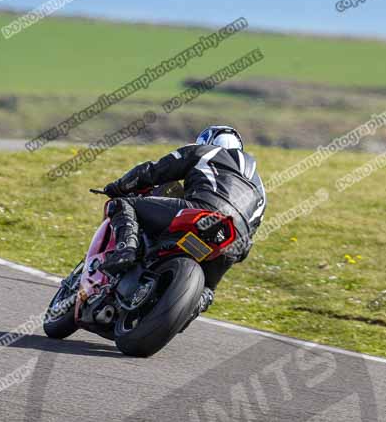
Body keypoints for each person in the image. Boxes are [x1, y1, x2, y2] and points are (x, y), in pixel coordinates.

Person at [100, 125, 267, 315]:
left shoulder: (205, 151)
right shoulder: (260, 188)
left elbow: (154, 170)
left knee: (122, 204)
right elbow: (251, 236)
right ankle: (196, 304)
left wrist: (118, 187)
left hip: (202, 211)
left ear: (209, 141)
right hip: (233, 241)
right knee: (207, 289)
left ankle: (125, 251)